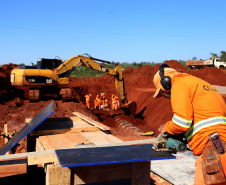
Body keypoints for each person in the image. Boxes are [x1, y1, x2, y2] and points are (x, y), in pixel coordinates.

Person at [153, 64, 226, 185]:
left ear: (166, 83)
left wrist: (166, 127)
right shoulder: (199, 83)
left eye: (163, 92)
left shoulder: (179, 85)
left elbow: (182, 122)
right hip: (221, 145)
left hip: (211, 150)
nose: (165, 96)